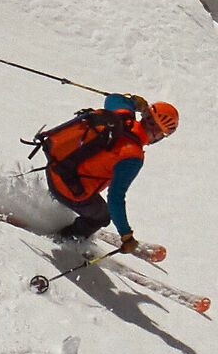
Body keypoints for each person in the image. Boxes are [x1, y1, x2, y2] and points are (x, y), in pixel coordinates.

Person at [31, 93, 178, 254]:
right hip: (68, 189)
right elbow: (115, 198)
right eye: (163, 135)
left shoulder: (122, 118)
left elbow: (113, 99)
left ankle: (53, 202)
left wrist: (134, 103)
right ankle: (65, 239)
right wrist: (126, 235)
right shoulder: (132, 156)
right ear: (156, 132)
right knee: (102, 216)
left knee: (84, 189)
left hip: (56, 167)